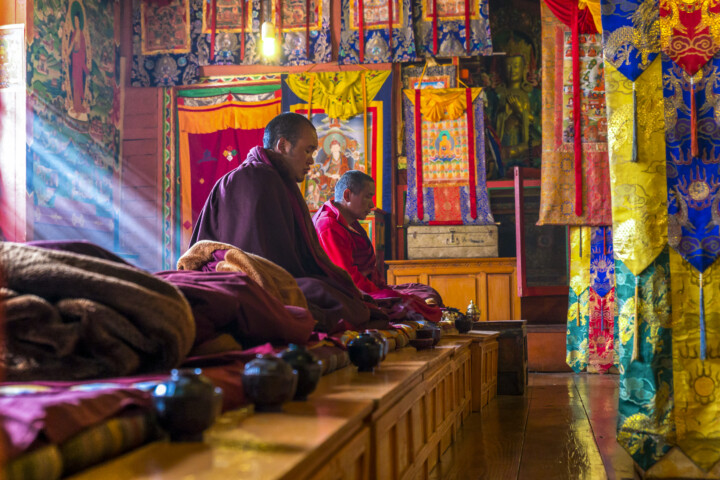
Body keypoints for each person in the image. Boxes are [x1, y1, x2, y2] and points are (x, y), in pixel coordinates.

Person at [190, 113, 388, 333]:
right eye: (308, 150)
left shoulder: (274, 178)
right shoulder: (258, 179)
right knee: (331, 296)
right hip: (245, 280)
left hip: (263, 276)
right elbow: (264, 264)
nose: (312, 160)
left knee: (338, 295)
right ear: (283, 145)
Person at [313, 170, 444, 322]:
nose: (372, 204)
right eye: (368, 196)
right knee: (408, 303)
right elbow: (348, 278)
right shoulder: (329, 226)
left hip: (367, 286)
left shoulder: (349, 221)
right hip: (352, 293)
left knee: (425, 291)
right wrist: (383, 293)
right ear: (347, 195)